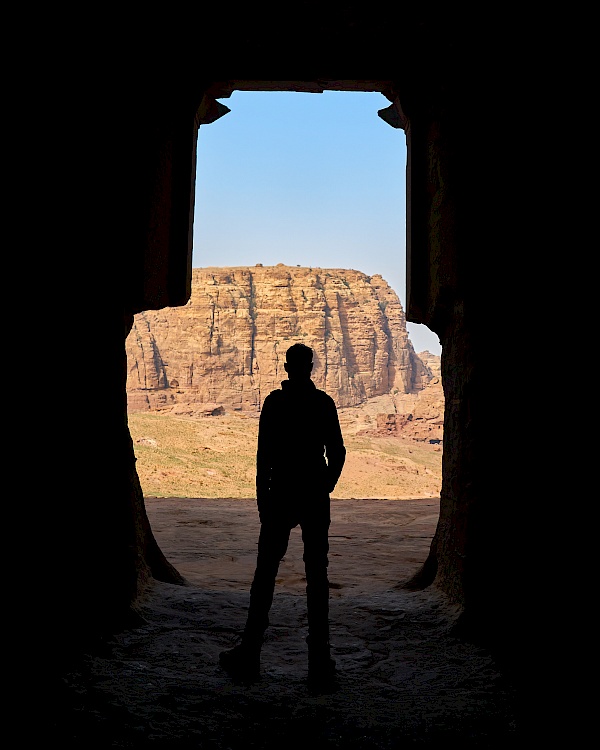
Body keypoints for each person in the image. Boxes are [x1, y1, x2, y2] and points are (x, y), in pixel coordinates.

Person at [219, 343, 346, 687]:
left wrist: (264, 501)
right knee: (317, 575)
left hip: (281, 494)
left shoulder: (275, 403)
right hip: (314, 496)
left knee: (265, 575)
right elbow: (337, 452)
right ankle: (319, 662)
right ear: (311, 368)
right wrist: (324, 485)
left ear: (288, 367)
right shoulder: (323, 404)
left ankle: (250, 654)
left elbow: (263, 457)